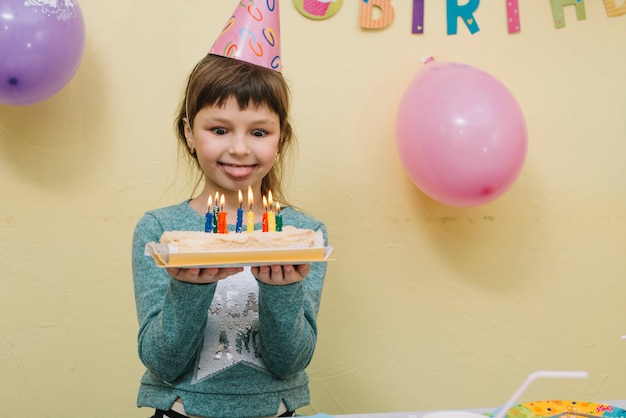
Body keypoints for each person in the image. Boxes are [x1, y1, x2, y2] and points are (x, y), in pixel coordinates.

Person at [131, 2, 328, 417]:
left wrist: (282, 292)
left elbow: (291, 362)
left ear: (280, 138)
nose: (239, 148)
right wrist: (187, 288)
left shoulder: (304, 234)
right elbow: (161, 362)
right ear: (189, 132)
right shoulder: (162, 230)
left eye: (258, 131)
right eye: (219, 129)